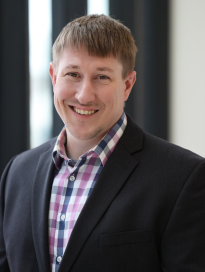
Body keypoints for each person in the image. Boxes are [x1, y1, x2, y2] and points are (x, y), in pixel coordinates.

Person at [0, 14, 205, 272]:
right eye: (72, 74)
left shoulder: (183, 178)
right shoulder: (16, 174)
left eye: (102, 77)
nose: (84, 95)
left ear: (127, 85)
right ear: (53, 77)